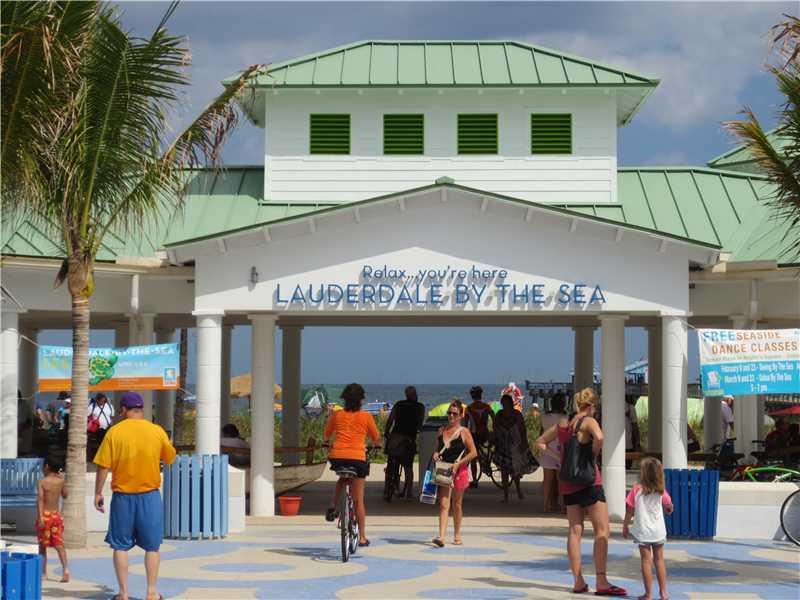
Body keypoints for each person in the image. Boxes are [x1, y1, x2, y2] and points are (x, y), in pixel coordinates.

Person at [535, 387, 626, 597]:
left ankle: (578, 581)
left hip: (567, 481)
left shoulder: (563, 423)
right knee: (602, 530)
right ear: (591, 405)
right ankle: (601, 581)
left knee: (574, 531)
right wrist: (592, 454)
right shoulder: (589, 421)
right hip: (589, 481)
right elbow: (600, 437)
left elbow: (539, 442)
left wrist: (560, 458)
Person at [93, 391, 177, 600]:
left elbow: (103, 466)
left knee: (120, 546)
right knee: (152, 547)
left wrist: (98, 492)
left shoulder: (114, 432)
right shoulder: (156, 431)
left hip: (123, 497)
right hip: (149, 496)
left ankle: (123, 594)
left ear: (123, 410)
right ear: (142, 409)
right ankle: (151, 592)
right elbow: (169, 458)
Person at [323, 383, 380, 547]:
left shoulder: (337, 415)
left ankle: (333, 505)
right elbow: (376, 438)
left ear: (345, 399)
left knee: (342, 478)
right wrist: (376, 445)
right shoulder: (366, 416)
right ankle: (362, 537)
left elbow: (326, 435)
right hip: (357, 458)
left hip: (338, 456)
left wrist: (326, 443)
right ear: (361, 400)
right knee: (358, 500)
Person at [623, 457, 674, 600]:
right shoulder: (661, 491)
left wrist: (625, 525)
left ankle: (648, 594)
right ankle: (663, 593)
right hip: (658, 531)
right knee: (659, 560)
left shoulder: (636, 490)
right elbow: (669, 506)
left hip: (642, 531)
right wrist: (669, 509)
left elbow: (629, 510)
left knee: (646, 561)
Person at [431, 400, 477, 547]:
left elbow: (473, 452)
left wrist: (459, 463)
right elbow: (437, 449)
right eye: (449, 413)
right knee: (443, 503)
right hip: (444, 470)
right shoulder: (441, 430)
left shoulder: (464, 432)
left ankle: (457, 534)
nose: (451, 415)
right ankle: (441, 536)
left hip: (459, 471)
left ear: (460, 416)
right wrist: (436, 455)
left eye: (455, 413)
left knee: (457, 504)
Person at [383, 385, 426, 499]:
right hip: (408, 440)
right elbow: (420, 425)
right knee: (408, 467)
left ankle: (387, 488)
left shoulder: (398, 404)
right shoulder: (420, 407)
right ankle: (409, 492)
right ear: (414, 395)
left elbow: (390, 420)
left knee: (391, 463)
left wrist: (386, 432)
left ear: (406, 395)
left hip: (395, 438)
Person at [493, 394, 538, 501]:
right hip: (503, 446)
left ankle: (517, 490)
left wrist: (524, 444)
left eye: (506, 403)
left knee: (516, 471)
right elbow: (495, 428)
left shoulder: (515, 414)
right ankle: (506, 495)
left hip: (515, 446)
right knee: (504, 471)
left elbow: (523, 430)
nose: (505, 405)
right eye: (504, 403)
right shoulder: (501, 414)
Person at [37, 458, 69, 582]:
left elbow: (40, 499)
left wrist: (40, 517)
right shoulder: (61, 481)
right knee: (59, 544)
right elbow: (65, 495)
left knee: (42, 546)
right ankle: (65, 570)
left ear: (47, 467)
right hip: (56, 516)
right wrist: (63, 480)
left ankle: (43, 573)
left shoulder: (42, 482)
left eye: (43, 466)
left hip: (45, 516)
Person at [540, 392, 567, 512]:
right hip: (560, 449)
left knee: (547, 481)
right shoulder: (565, 418)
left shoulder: (544, 417)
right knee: (561, 481)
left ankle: (546, 505)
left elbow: (541, 432)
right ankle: (563, 506)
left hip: (546, 448)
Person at [465, 385, 494, 488]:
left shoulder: (469, 408)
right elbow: (494, 418)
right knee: (482, 450)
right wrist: (494, 429)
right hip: (485, 434)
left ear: (472, 396)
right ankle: (485, 461)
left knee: (472, 457)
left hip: (474, 435)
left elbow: (465, 424)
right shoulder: (487, 407)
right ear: (481, 395)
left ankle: (474, 480)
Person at [625, 395, 641, 469]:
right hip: (628, 445)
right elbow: (635, 427)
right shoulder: (630, 407)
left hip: (612, 446)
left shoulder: (610, 407)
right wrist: (638, 442)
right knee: (627, 468)